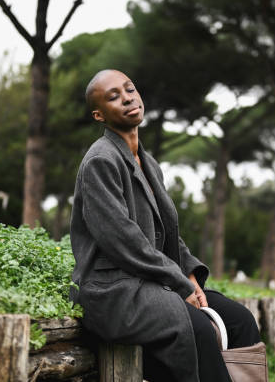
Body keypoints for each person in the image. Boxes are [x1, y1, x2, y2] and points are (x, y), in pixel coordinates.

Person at [70, 69, 260, 382]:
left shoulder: (151, 164)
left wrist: (189, 275)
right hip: (113, 291)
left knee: (240, 320)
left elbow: (170, 233)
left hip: (152, 283)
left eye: (129, 89)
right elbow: (125, 242)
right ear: (99, 115)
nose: (127, 97)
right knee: (195, 327)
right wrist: (179, 284)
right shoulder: (99, 162)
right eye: (113, 96)